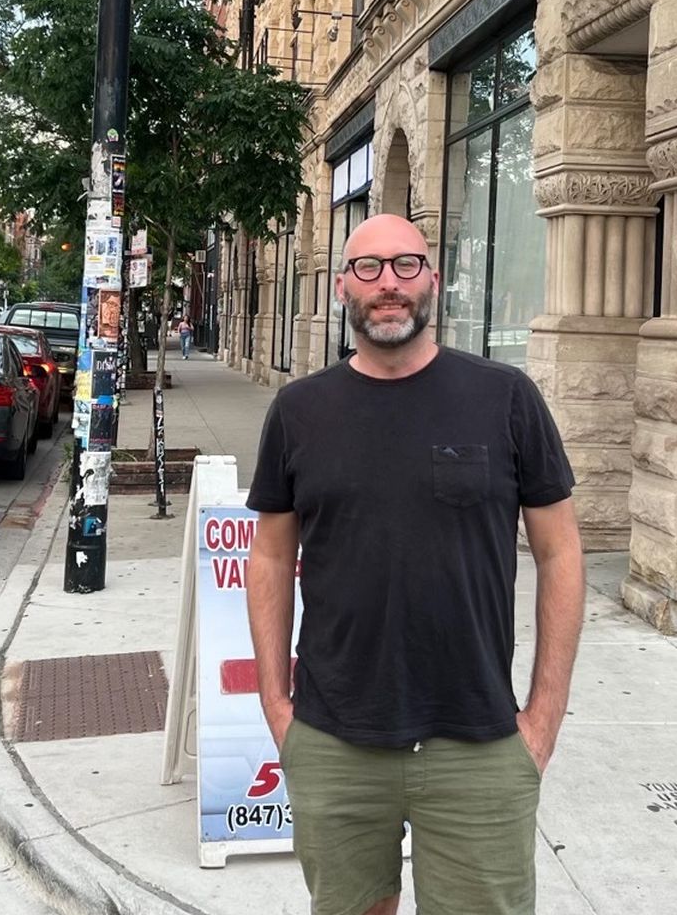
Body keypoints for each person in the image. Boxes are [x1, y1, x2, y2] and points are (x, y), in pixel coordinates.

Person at [245, 214, 584, 915]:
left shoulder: (506, 398)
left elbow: (562, 552)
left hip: (480, 736)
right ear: (342, 286)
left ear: (433, 278)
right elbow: (271, 558)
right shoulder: (299, 410)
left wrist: (544, 717)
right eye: (368, 268)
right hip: (337, 735)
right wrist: (278, 707)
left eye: (406, 265)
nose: (388, 284)